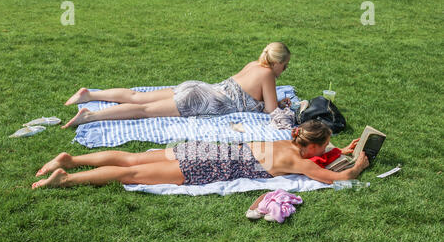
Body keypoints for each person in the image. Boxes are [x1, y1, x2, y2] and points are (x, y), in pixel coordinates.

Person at [32, 120, 369, 189]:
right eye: (323, 146)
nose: (325, 151)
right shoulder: (297, 162)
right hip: (205, 166)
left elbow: (324, 158)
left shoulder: (286, 143)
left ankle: (71, 159)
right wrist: (357, 167)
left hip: (205, 149)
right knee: (130, 175)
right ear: (310, 146)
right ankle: (68, 178)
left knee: (132, 159)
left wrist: (344, 150)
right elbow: (336, 177)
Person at [61, 42, 292, 128]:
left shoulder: (255, 64)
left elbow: (249, 95)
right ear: (278, 63)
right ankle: (90, 116)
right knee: (144, 112)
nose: (285, 70)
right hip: (205, 100)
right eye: (286, 66)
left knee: (138, 97)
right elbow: (271, 110)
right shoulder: (267, 74)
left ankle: (90, 94)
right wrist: (280, 106)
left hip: (199, 88)